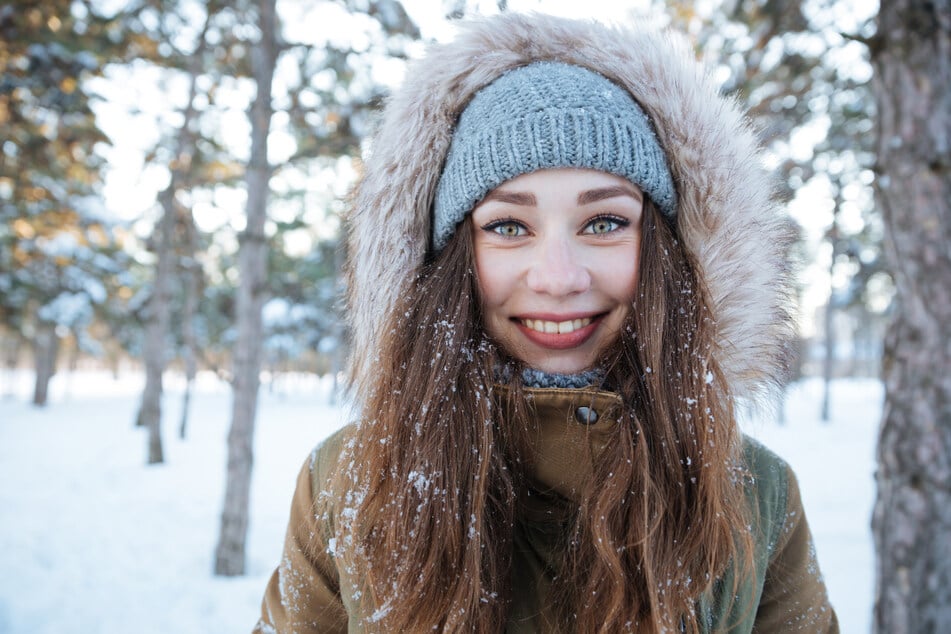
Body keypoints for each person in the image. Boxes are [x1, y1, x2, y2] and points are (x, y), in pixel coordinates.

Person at [255, 12, 838, 634]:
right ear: (453, 259)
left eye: (605, 222)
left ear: (669, 252)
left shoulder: (754, 494)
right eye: (508, 227)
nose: (559, 278)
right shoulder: (349, 482)